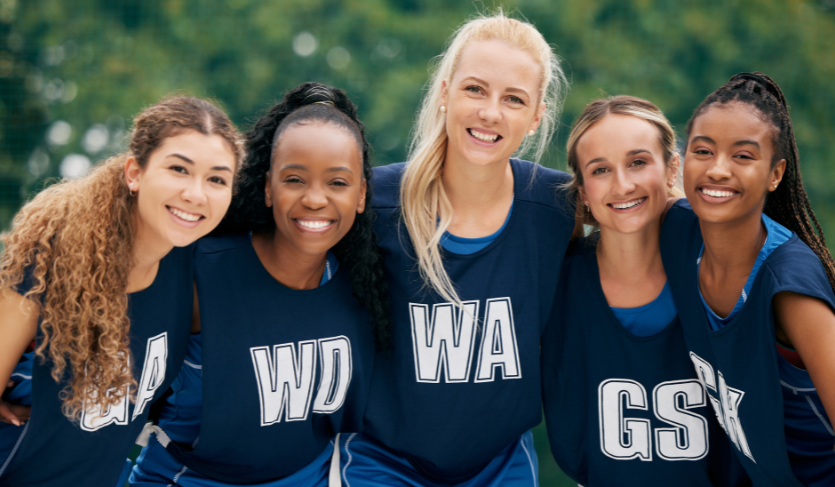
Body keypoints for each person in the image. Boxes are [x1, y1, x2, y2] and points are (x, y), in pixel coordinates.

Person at [339, 11, 574, 486]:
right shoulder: (374, 203)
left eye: (513, 99)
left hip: (499, 464)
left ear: (535, 118)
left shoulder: (558, 209)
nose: (491, 112)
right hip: (383, 461)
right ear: (444, 93)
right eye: (475, 89)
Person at [129, 82, 389, 487]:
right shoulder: (200, 269)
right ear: (268, 188)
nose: (316, 199)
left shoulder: (365, 287)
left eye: (337, 183)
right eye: (295, 180)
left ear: (361, 195)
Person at [0, 96, 244, 486]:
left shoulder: (191, 264)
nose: (197, 194)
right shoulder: (48, 262)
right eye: (179, 169)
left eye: (217, 179)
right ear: (134, 172)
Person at [541, 95, 750, 486]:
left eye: (638, 162)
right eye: (600, 169)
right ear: (583, 190)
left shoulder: (721, 270)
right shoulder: (557, 284)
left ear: (673, 168)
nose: (623, 185)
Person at [661, 72, 835, 486]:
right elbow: (599, 201)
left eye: (743, 156)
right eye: (703, 151)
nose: (718, 170)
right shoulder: (677, 231)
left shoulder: (788, 286)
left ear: (775, 174)